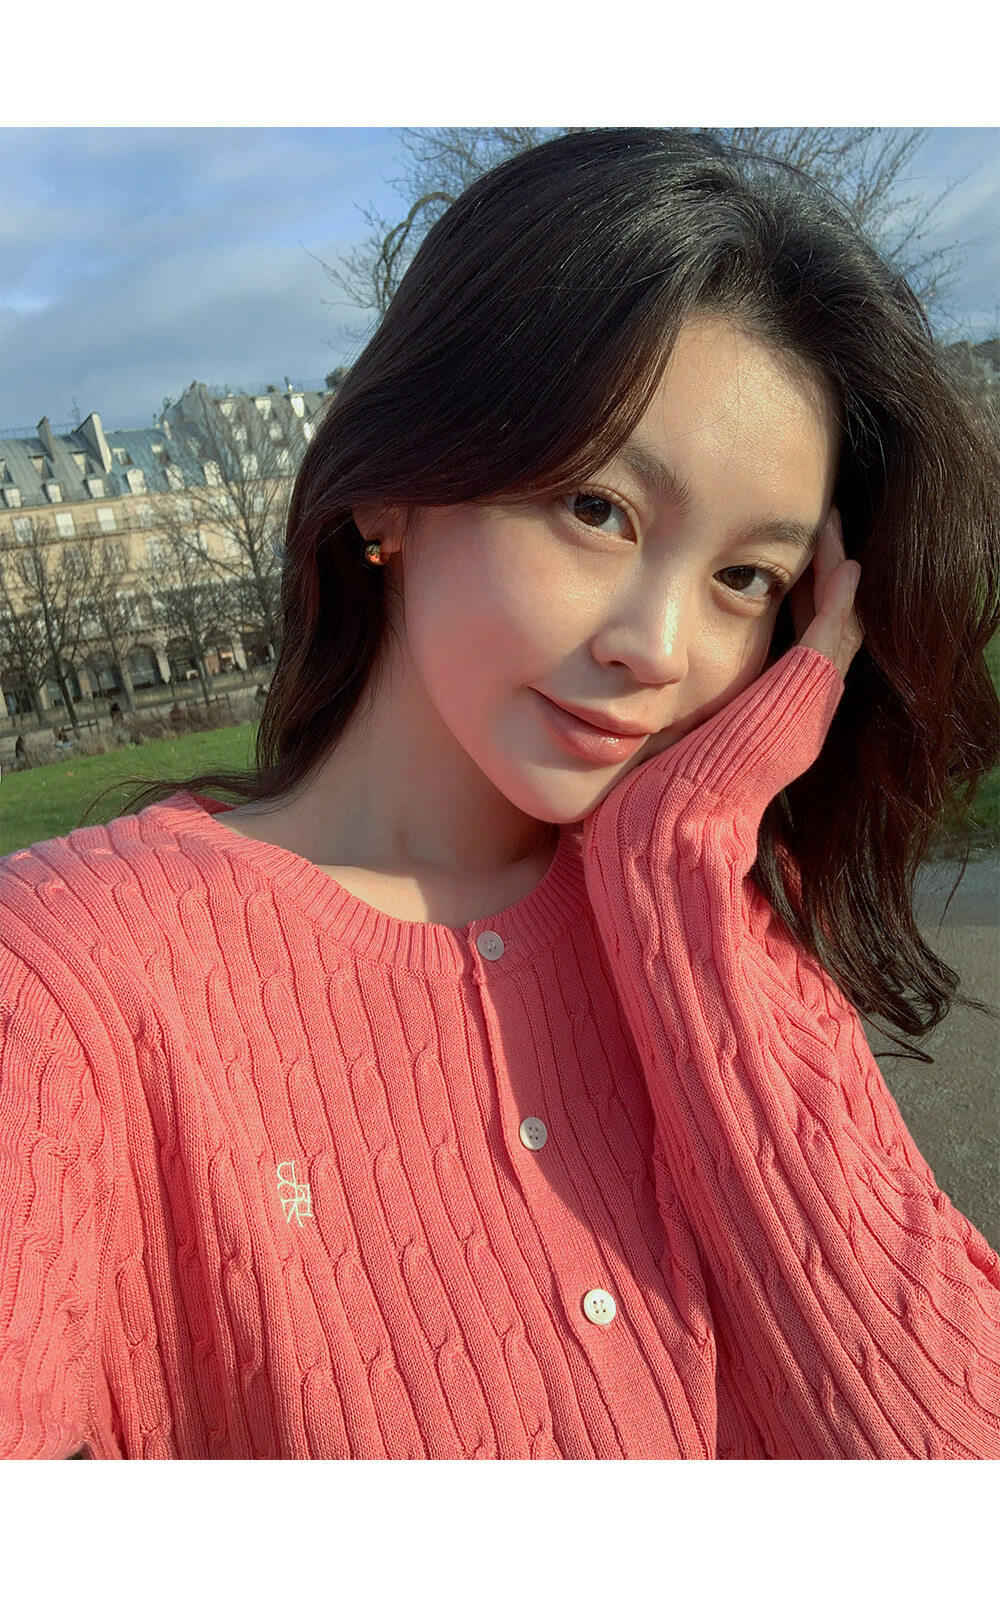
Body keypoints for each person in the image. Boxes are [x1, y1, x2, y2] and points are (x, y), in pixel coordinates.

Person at [1, 128, 998, 1461]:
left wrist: (681, 864)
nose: (661, 647)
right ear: (395, 490)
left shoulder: (730, 922)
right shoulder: (75, 978)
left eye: (745, 580)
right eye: (597, 508)